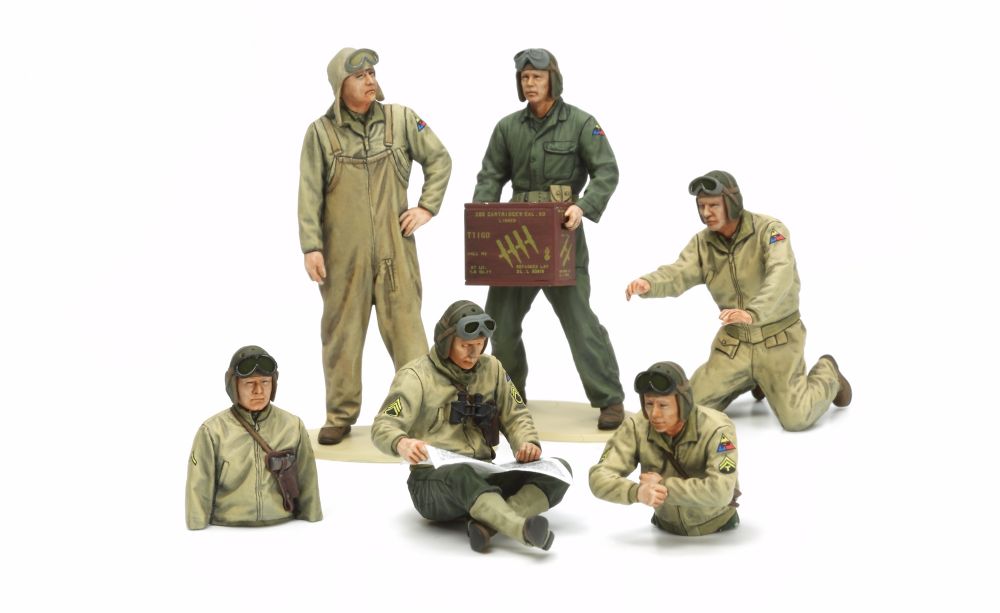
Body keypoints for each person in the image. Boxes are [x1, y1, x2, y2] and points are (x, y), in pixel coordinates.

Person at [298, 48, 452, 445]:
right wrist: (311, 246)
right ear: (340, 86)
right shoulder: (320, 133)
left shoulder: (402, 120)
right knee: (341, 338)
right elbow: (309, 193)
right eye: (359, 75)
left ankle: (421, 413)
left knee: (409, 337)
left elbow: (439, 159)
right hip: (341, 257)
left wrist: (426, 207)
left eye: (371, 72)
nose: (370, 80)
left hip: (394, 252)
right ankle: (340, 414)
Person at [625, 170, 852, 431]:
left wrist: (753, 312)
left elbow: (781, 274)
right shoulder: (702, 243)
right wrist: (650, 283)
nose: (706, 212)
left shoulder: (769, 231)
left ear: (732, 203)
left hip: (778, 340)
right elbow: (678, 272)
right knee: (687, 410)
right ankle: (754, 379)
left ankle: (828, 373)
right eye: (701, 206)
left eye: (713, 205)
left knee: (796, 418)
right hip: (734, 345)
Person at [472, 48, 625, 430]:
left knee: (580, 322)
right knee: (500, 323)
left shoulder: (581, 123)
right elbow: (491, 174)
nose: (530, 84)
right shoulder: (508, 127)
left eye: (537, 77)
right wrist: (483, 215)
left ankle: (609, 398)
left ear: (553, 79)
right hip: (514, 235)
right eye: (524, 78)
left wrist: (583, 207)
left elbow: (606, 170)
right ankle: (509, 395)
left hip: (562, 234)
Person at [371, 300, 571, 552]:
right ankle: (522, 529)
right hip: (433, 483)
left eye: (479, 345)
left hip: (485, 475)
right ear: (446, 342)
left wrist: (526, 443)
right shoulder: (416, 376)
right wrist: (401, 442)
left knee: (558, 470)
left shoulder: (492, 369)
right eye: (465, 346)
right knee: (461, 473)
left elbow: (516, 414)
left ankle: (487, 525)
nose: (474, 354)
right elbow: (383, 424)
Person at [589, 362, 741, 536]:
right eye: (649, 404)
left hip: (717, 530)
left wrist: (663, 486)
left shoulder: (717, 429)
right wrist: (636, 492)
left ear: (683, 403)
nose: (654, 414)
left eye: (663, 405)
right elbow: (598, 477)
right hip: (664, 530)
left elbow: (721, 491)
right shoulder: (636, 427)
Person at [186, 346, 322, 529]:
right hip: (225, 527)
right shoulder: (213, 431)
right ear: (234, 386)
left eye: (265, 382)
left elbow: (307, 476)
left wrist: (312, 520)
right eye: (249, 383)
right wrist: (197, 529)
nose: (259, 390)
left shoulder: (292, 426)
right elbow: (199, 483)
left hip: (285, 526)